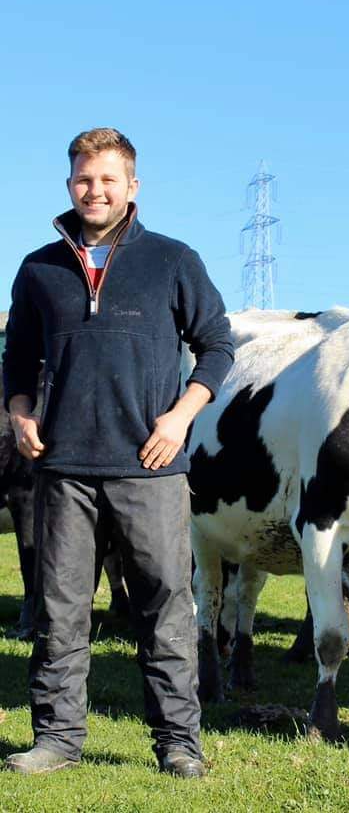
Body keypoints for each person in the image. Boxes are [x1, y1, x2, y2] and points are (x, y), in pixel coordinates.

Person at [2, 128, 234, 778]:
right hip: (64, 467)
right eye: (82, 178)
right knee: (59, 610)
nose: (93, 190)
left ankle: (179, 745)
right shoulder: (39, 269)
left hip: (151, 466)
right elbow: (16, 359)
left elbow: (216, 347)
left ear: (132, 186)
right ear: (68, 184)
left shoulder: (172, 261)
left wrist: (182, 417)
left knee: (165, 608)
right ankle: (56, 740)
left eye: (107, 179)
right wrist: (19, 415)